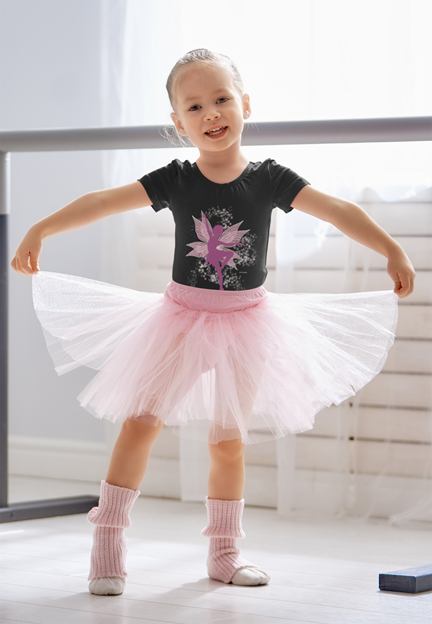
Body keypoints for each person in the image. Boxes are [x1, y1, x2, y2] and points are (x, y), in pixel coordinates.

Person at [11, 48, 415, 596]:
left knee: (228, 442)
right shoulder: (176, 179)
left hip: (248, 322)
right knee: (140, 423)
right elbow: (104, 201)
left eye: (221, 98)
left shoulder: (270, 179)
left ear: (245, 104)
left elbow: (336, 209)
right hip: (180, 319)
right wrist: (41, 228)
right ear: (179, 123)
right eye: (195, 106)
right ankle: (107, 542)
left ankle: (224, 553)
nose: (211, 113)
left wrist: (391, 248)